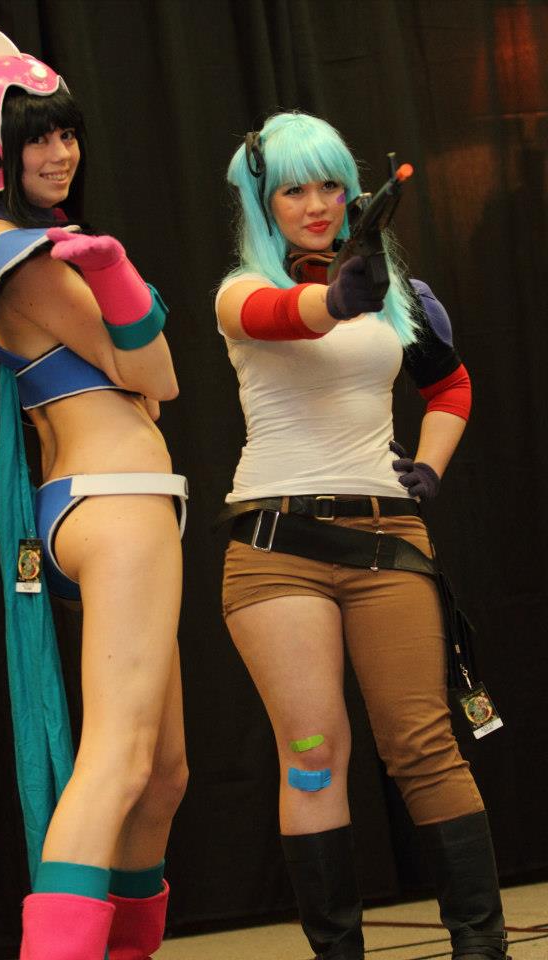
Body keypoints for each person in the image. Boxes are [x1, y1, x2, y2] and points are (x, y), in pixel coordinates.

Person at [215, 111, 509, 960]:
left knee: (424, 746)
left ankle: (482, 948)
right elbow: (291, 314)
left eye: (331, 185)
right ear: (262, 203)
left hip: (387, 537)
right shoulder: (239, 291)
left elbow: (451, 387)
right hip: (276, 547)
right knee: (311, 754)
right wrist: (339, 297)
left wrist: (430, 468)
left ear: (354, 192)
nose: (316, 204)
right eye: (293, 190)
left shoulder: (402, 297)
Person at [0, 3, 187, 958]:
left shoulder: (19, 252)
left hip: (106, 504)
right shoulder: (26, 256)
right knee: (118, 762)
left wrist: (119, 300)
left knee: (161, 774)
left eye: (66, 133)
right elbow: (158, 376)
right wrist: (120, 286)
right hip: (114, 504)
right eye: (36, 138)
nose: (60, 153)